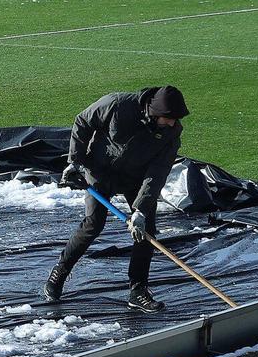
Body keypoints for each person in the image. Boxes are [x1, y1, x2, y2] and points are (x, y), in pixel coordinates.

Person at [45, 85, 187, 314]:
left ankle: (138, 290)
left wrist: (140, 209)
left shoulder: (171, 133)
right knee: (94, 224)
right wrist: (75, 161)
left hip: (135, 178)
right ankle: (60, 272)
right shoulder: (117, 104)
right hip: (99, 171)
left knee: (146, 230)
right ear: (154, 111)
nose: (173, 124)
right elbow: (83, 121)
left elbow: (157, 173)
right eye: (168, 119)